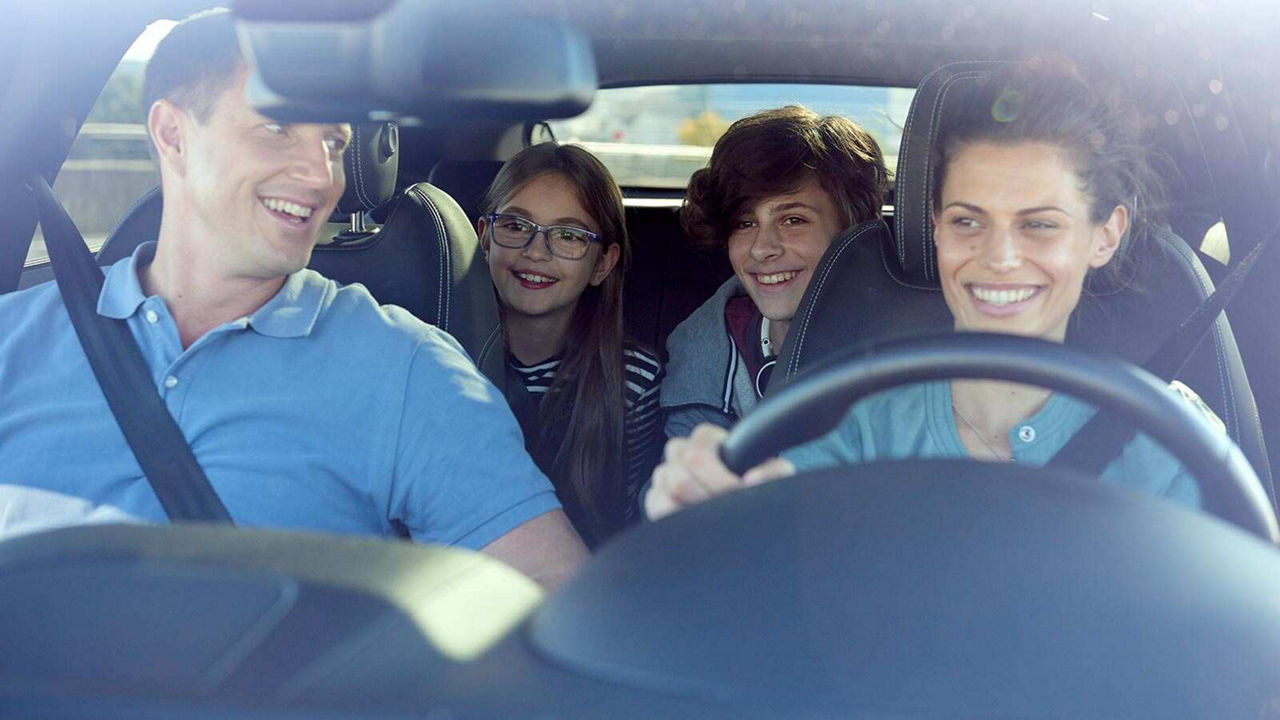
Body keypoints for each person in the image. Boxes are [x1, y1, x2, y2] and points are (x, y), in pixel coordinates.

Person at [0, 10, 587, 589]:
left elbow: (556, 600)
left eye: (334, 143)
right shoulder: (13, 338)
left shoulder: (406, 369)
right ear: (173, 135)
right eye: (277, 128)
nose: (320, 175)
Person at [645, 60, 1214, 521]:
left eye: (1040, 224)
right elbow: (775, 538)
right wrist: (705, 509)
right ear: (935, 225)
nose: (999, 257)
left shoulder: (1168, 434)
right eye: (968, 221)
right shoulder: (866, 428)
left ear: (1104, 235)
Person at [660, 105, 889, 438]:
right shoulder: (704, 351)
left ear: (852, 229)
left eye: (793, 220)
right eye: (745, 223)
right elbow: (682, 480)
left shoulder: (912, 345)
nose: (761, 248)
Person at [477, 143, 664, 548]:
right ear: (485, 238)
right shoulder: (440, 360)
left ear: (602, 263)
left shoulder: (633, 378)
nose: (536, 252)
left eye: (568, 235)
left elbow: (626, 520)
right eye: (515, 226)